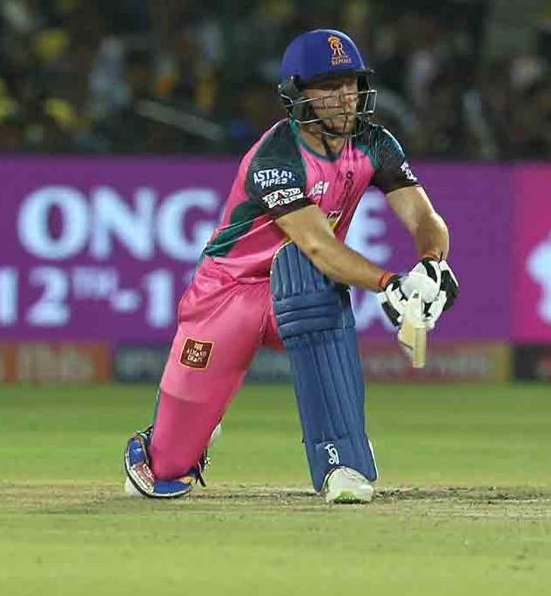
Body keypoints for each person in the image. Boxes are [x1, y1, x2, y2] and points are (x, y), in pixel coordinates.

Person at [122, 29, 459, 503]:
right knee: (165, 473)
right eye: (328, 87)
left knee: (310, 285)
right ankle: (178, 441)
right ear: (298, 94)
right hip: (228, 293)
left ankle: (342, 463)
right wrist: (388, 283)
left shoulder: (376, 143)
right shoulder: (275, 157)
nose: (345, 98)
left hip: (296, 293)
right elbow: (320, 244)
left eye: (351, 84)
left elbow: (423, 215)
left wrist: (430, 264)